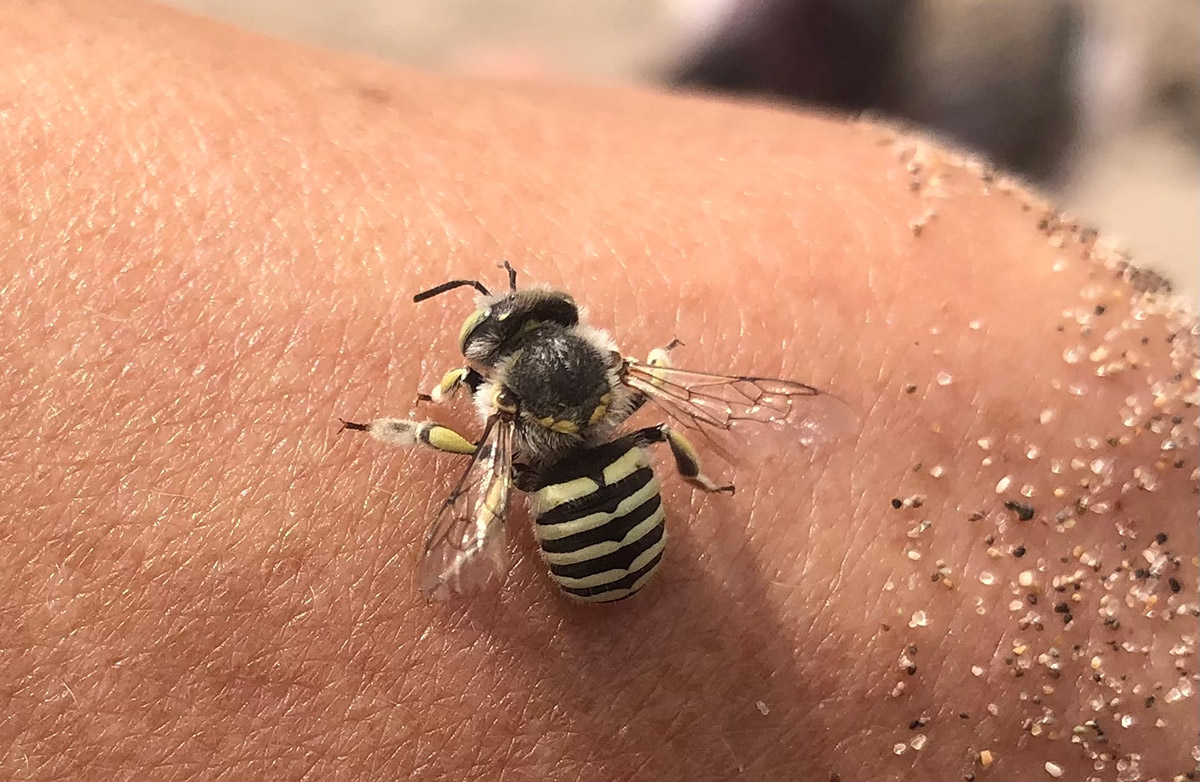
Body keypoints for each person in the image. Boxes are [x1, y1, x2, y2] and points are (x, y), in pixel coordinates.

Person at [2, 2, 1195, 780]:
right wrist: (686, 460)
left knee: (481, 467)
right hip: (615, 500)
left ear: (488, 372)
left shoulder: (500, 412)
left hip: (585, 528)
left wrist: (392, 425)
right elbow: (701, 408)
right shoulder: (617, 377)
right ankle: (826, 86)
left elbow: (466, 483)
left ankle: (787, 74)